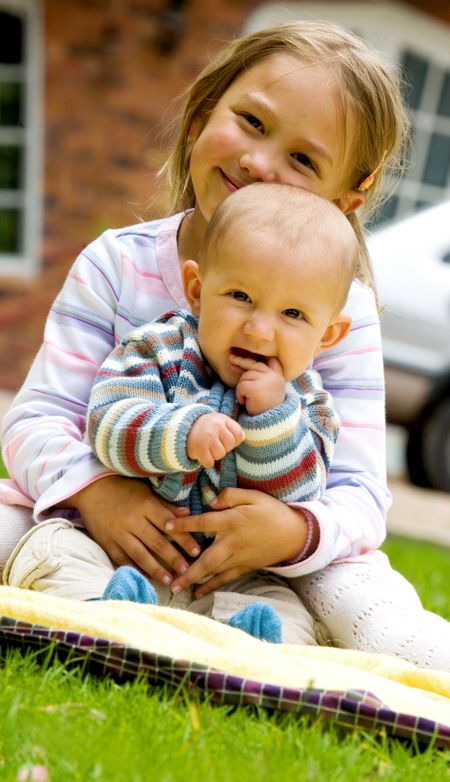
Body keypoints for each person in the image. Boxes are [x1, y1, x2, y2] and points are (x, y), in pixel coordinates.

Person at [1, 20, 449, 668]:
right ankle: (115, 607)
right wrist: (99, 494)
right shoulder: (116, 266)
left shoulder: (338, 316)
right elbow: (36, 419)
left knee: (357, 588)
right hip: (91, 517)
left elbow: (358, 491)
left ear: (347, 197)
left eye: (303, 160)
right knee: (15, 525)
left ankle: (418, 659)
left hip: (266, 561)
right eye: (252, 123)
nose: (259, 162)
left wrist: (293, 531)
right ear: (202, 113)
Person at [4, 184, 356, 646]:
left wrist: (272, 417)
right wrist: (183, 431)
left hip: (231, 579)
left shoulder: (310, 403)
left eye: (292, 313)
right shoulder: (157, 349)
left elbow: (302, 490)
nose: (259, 328)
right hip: (120, 557)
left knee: (288, 612)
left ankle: (244, 647)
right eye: (240, 296)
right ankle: (106, 614)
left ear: (328, 335)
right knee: (55, 549)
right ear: (197, 290)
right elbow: (108, 425)